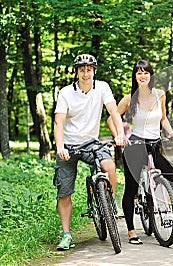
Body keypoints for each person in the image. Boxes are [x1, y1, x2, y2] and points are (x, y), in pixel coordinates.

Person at [107, 59, 173, 244]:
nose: (143, 76)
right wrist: (119, 135)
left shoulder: (160, 95)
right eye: (139, 73)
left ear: (151, 75)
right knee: (131, 189)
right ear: (135, 76)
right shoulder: (129, 98)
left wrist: (171, 132)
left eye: (146, 72)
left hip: (155, 145)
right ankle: (132, 231)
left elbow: (163, 118)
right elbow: (112, 119)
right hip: (135, 146)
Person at [53, 54, 124, 250]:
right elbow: (59, 121)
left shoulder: (102, 87)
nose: (86, 73)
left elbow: (114, 112)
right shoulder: (66, 93)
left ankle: (110, 205)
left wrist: (119, 134)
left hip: (92, 142)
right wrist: (60, 147)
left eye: (89, 69)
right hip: (69, 145)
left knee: (108, 165)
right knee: (64, 192)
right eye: (82, 69)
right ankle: (66, 235)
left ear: (94, 71)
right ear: (76, 72)